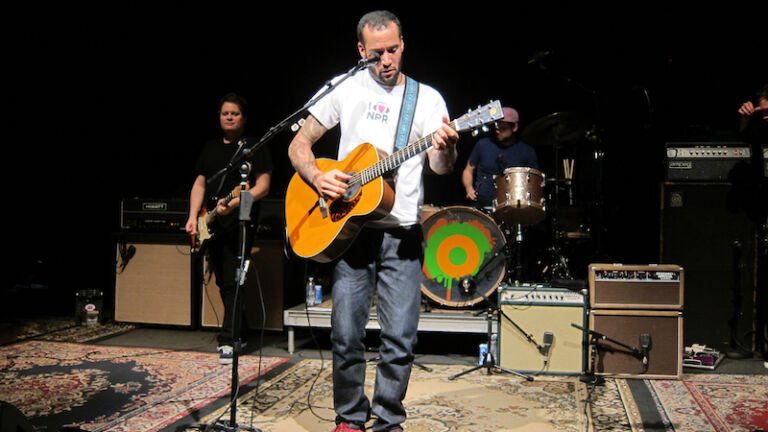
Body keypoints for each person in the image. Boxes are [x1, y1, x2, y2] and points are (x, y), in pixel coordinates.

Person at [287, 10, 458, 432]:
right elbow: (299, 145)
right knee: (346, 334)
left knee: (400, 337)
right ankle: (349, 416)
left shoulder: (428, 99)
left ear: (403, 45)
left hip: (401, 234)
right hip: (350, 233)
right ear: (361, 51)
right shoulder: (344, 88)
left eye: (394, 50)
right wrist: (317, 175)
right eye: (377, 52)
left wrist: (448, 147)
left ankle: (387, 419)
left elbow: (439, 167)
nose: (386, 60)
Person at [185, 93, 272, 364]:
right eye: (225, 113)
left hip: (241, 221)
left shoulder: (255, 146)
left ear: (243, 118)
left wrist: (238, 202)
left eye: (235, 113)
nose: (230, 117)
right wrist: (192, 217)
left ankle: (228, 340)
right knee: (224, 281)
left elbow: (263, 185)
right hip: (211, 221)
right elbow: (200, 184)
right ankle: (240, 329)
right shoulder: (210, 148)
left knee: (234, 279)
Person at [462, 106, 539, 207]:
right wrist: (469, 189)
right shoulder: (482, 144)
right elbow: (468, 170)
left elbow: (534, 181)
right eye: (497, 127)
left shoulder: (527, 151)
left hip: (513, 204)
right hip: (482, 202)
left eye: (503, 128)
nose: (498, 131)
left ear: (514, 127)